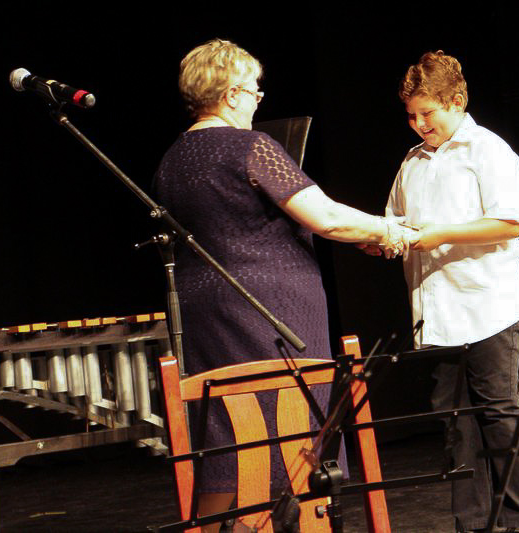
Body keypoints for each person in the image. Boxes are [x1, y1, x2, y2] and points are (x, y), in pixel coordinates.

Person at [154, 38, 414, 533]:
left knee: (226, 429)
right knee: (288, 425)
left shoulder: (172, 159)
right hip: (270, 309)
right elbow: (326, 218)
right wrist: (390, 230)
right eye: (253, 90)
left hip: (204, 309)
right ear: (231, 94)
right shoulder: (250, 146)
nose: (258, 99)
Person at [378, 51, 519, 531]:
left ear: (456, 101)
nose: (418, 124)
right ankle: (472, 523)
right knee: (456, 422)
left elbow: (510, 222)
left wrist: (440, 235)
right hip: (438, 311)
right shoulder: (412, 162)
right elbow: (395, 221)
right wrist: (383, 240)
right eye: (411, 115)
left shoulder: (489, 151)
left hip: (487, 304)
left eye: (427, 113)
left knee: (500, 413)